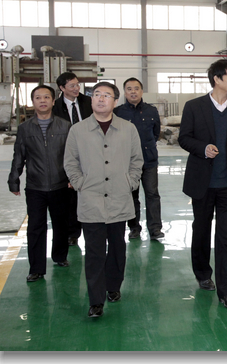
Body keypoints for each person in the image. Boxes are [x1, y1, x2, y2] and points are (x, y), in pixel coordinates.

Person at [64, 82, 143, 318]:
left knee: (118, 248)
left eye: (106, 95)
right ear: (91, 100)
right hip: (91, 198)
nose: (100, 98)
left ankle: (113, 286)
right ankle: (96, 300)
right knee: (94, 252)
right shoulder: (78, 130)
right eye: (96, 94)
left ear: (115, 102)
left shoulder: (128, 129)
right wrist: (80, 183)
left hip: (119, 196)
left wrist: (130, 182)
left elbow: (137, 160)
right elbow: (70, 161)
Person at [179, 59, 227, 310]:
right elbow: (184, 138)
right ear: (217, 79)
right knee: (201, 229)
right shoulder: (194, 106)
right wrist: (203, 148)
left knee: (226, 236)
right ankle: (202, 273)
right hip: (203, 182)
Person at [8, 85, 71, 282]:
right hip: (35, 186)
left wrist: (72, 178)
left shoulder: (65, 126)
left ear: (53, 101)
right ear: (33, 102)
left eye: (46, 97)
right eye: (38, 97)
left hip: (61, 184)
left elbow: (73, 155)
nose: (42, 101)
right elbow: (19, 156)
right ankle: (36, 268)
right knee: (35, 227)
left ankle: (60, 256)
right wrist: (14, 180)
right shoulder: (24, 128)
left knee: (61, 224)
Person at [114, 77, 164, 241]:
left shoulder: (151, 110)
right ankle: (134, 228)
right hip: (127, 163)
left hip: (149, 161)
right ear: (125, 92)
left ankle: (155, 229)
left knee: (152, 194)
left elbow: (156, 133)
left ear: (142, 91)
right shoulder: (118, 112)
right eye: (129, 89)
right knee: (131, 195)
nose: (133, 92)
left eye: (136, 88)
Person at [53, 71, 93, 247]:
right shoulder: (56, 107)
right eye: (72, 86)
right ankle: (73, 233)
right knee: (70, 198)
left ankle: (92, 230)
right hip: (67, 153)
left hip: (90, 153)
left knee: (91, 193)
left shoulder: (88, 102)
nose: (77, 88)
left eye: (77, 84)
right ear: (62, 88)